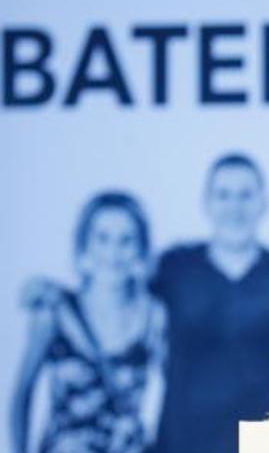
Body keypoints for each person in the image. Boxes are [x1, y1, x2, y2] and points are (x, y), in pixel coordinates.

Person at [151, 153, 269, 453]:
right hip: (182, 442)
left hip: (263, 444)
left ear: (264, 203)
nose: (235, 207)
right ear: (206, 203)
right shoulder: (175, 268)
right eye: (223, 195)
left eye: (246, 195)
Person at [10, 191, 166, 453]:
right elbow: (22, 395)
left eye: (126, 240)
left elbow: (177, 392)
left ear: (141, 248)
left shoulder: (154, 317)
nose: (113, 252)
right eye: (102, 238)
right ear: (84, 245)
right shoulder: (55, 312)